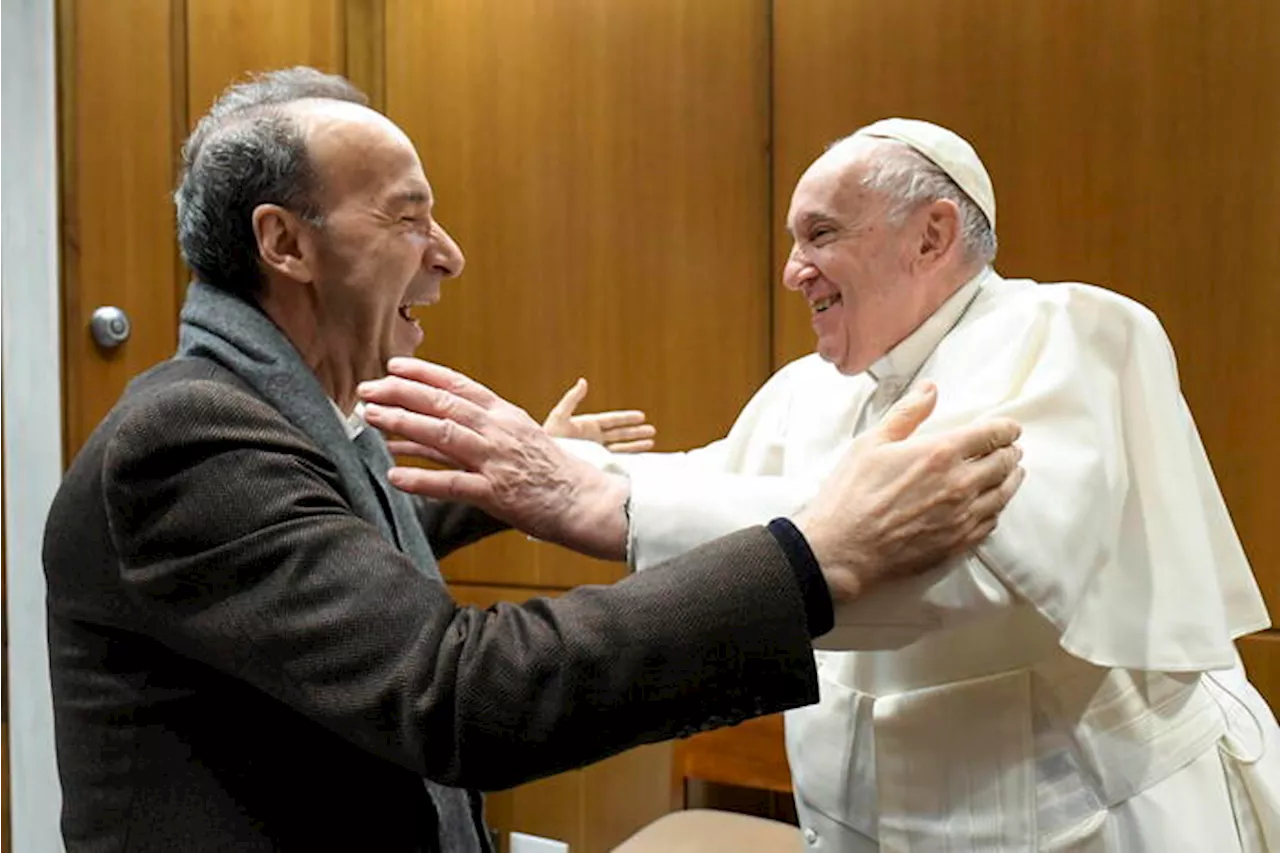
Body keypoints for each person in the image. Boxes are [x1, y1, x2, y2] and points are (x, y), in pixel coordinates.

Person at [41, 71, 1024, 852]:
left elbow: (328, 547)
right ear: (284, 244)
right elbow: (458, 695)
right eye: (407, 217)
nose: (449, 253)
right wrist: (814, 556)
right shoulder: (186, 441)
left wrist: (517, 479)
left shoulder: (268, 411)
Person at [378, 118, 1280, 851]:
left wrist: (602, 499)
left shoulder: (1062, 332)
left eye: (821, 234)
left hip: (1083, 822)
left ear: (931, 233)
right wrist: (563, 469)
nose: (792, 270)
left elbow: (985, 568)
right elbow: (715, 487)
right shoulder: (816, 385)